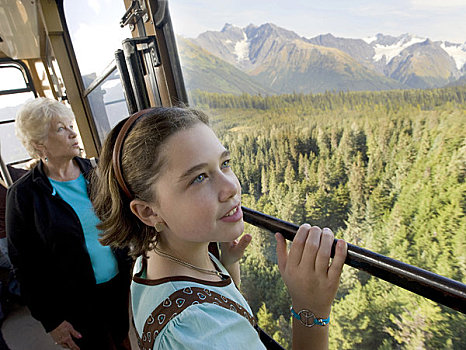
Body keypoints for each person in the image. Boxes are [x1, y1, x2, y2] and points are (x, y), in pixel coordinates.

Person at [92, 107, 348, 350]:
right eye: (199, 178)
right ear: (149, 211)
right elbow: (211, 323)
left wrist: (228, 264)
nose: (231, 187)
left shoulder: (150, 260)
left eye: (225, 163)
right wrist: (311, 309)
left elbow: (217, 307)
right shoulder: (196, 334)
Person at [6, 98, 132, 350]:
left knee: (122, 340)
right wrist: (51, 321)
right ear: (39, 144)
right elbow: (24, 266)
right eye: (61, 129)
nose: (73, 133)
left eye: (70, 125)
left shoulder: (96, 173)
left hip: (117, 287)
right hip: (73, 302)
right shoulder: (24, 195)